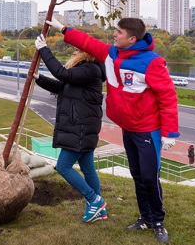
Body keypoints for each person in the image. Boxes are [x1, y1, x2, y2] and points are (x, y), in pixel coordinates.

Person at [45, 17, 179, 243]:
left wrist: (169, 133)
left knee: (149, 176)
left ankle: (157, 221)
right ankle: (145, 218)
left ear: (132, 38)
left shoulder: (152, 62)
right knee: (137, 176)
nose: (114, 34)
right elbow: (87, 43)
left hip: (148, 130)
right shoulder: (112, 54)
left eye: (118, 32)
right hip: (128, 128)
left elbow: (167, 97)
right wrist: (63, 29)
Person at [33, 36, 107, 223]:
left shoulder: (90, 70)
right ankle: (100, 208)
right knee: (87, 168)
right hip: (82, 127)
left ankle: (94, 200)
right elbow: (62, 86)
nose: (73, 51)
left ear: (86, 53)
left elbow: (62, 75)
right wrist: (39, 78)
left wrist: (44, 50)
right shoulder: (84, 70)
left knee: (63, 167)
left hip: (79, 128)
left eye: (77, 49)